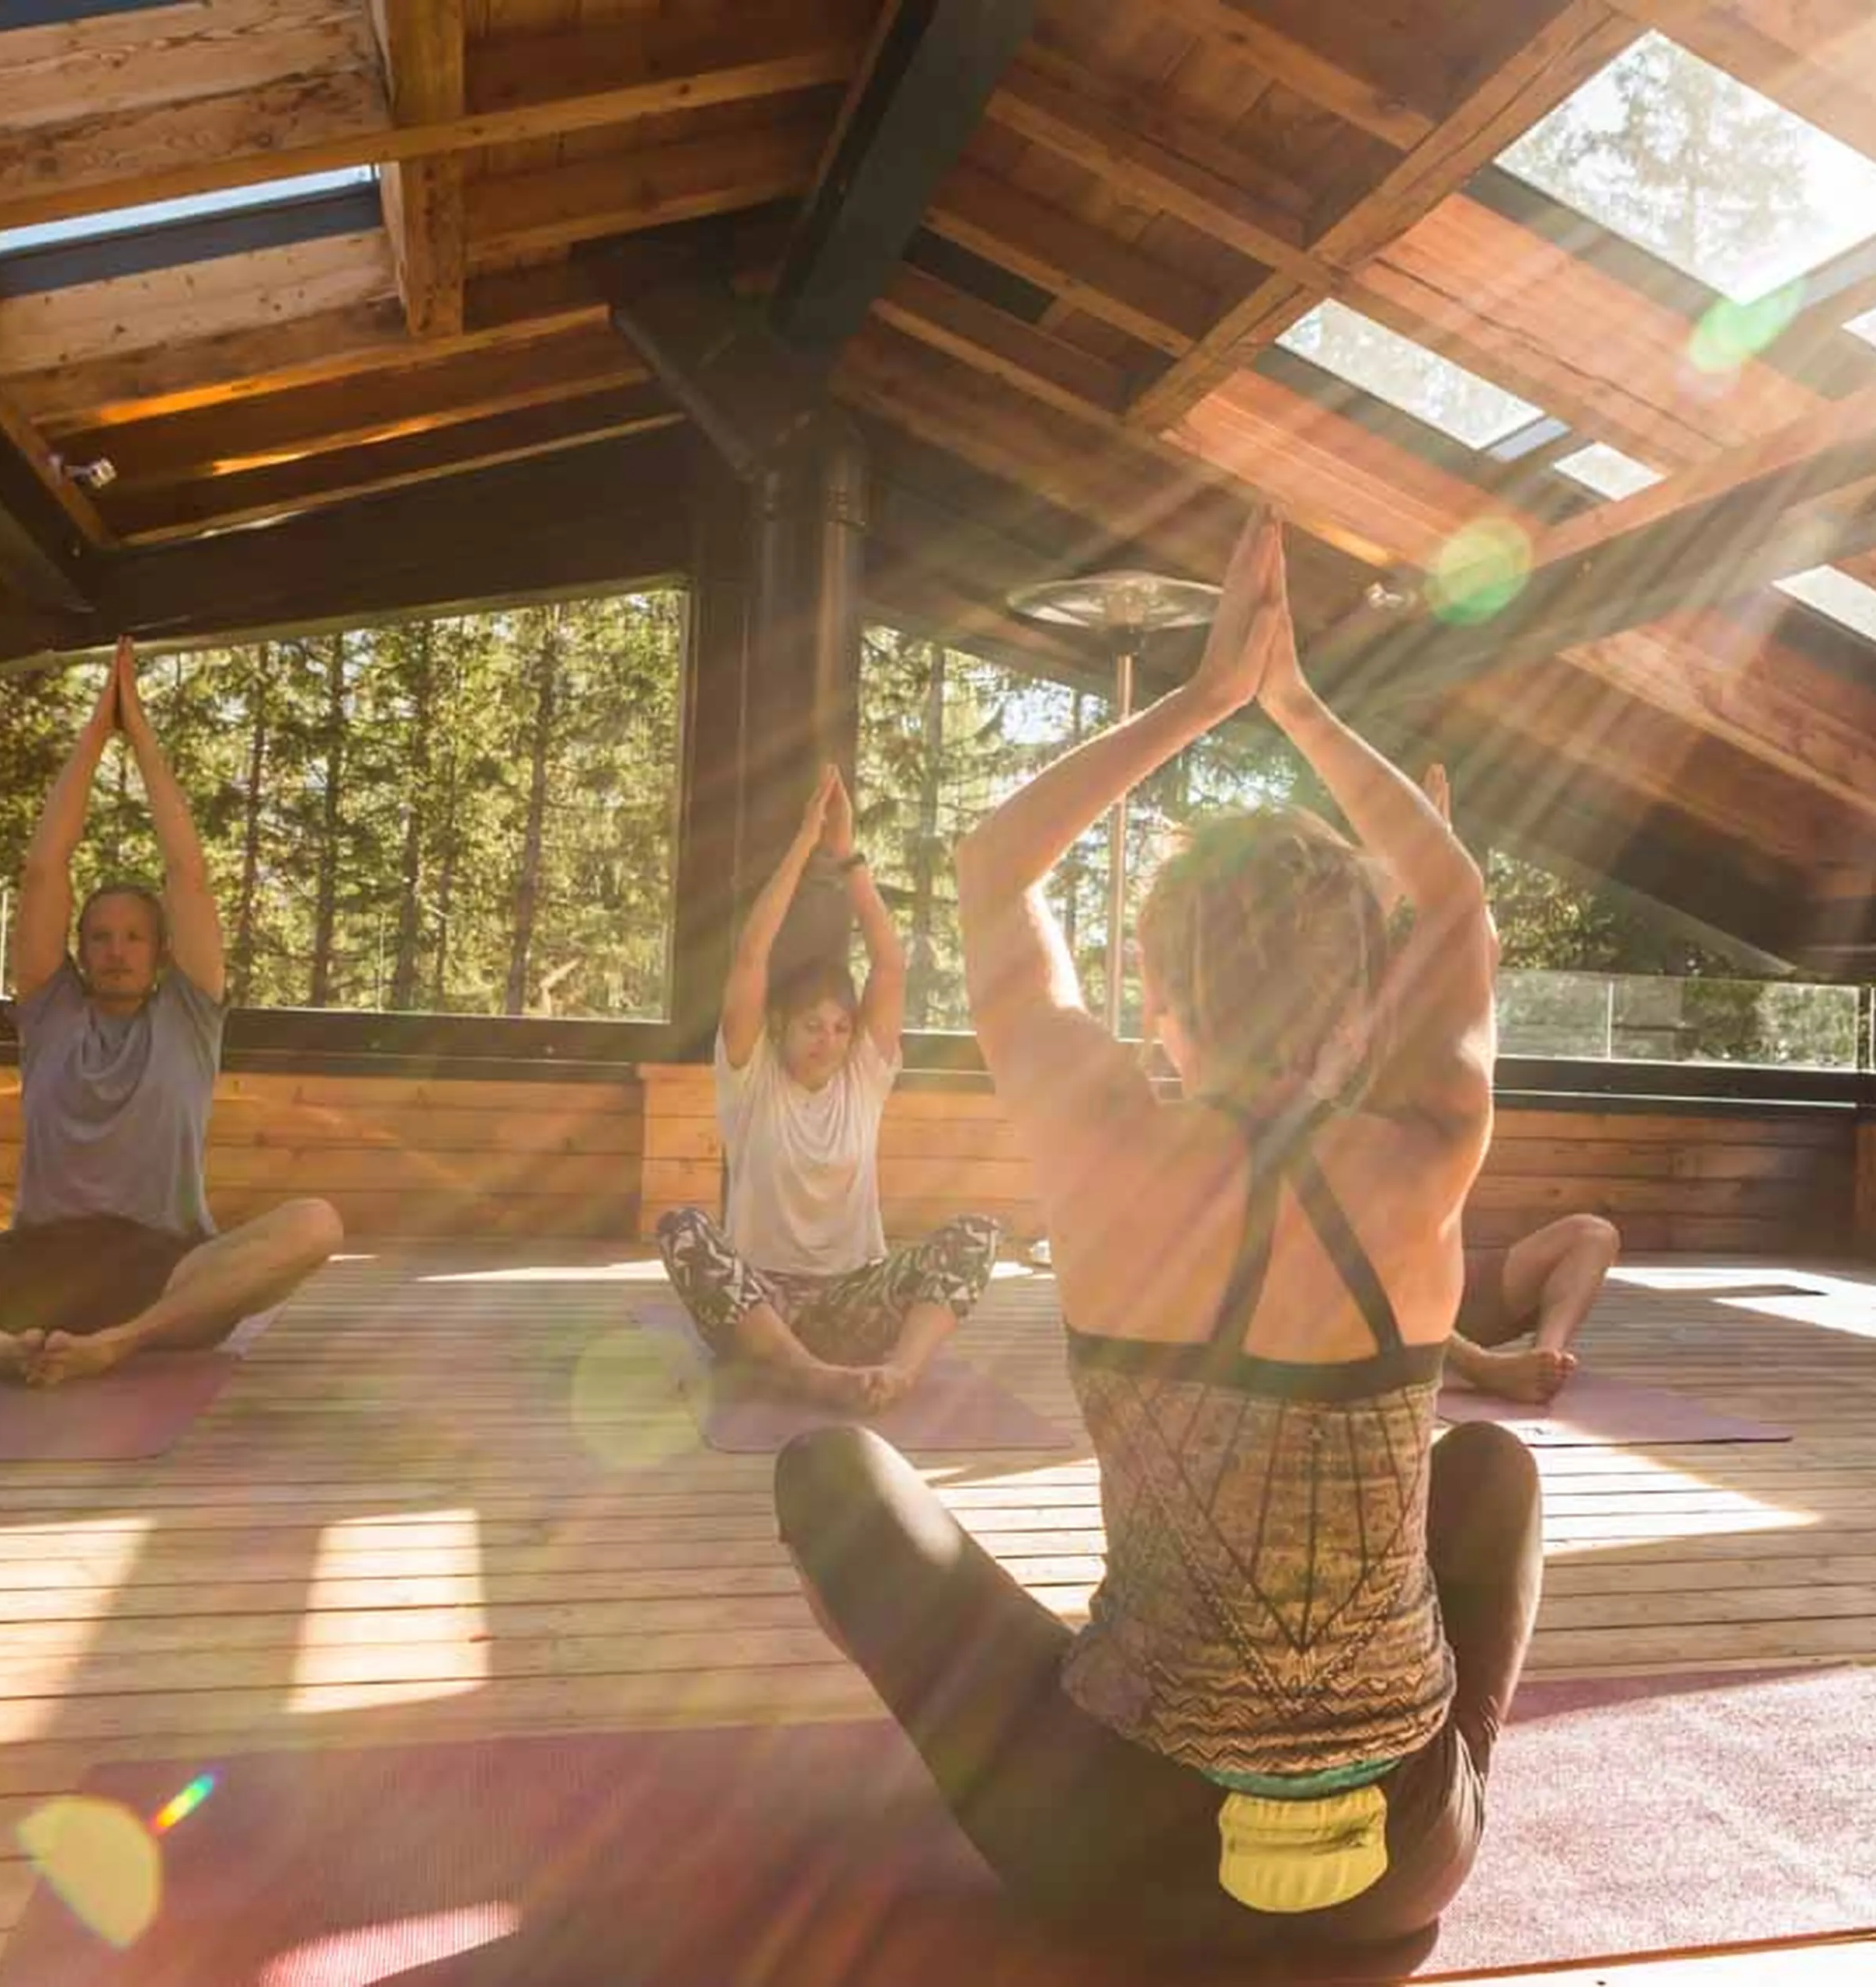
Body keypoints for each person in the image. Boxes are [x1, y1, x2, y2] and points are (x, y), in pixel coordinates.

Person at [772, 513, 1542, 1954]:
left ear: (1154, 976)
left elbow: (994, 867)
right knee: (1490, 1467)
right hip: (1405, 1862)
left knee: (835, 1472)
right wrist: (1302, 704)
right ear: (1369, 998)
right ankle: (1429, 1795)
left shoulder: (1099, 1132)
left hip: (1119, 1844)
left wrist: (1201, 699)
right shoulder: (1429, 1154)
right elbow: (1455, 896)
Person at [0, 641, 342, 1386]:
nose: (117, 951)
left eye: (136, 937)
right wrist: (94, 730)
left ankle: (123, 1341)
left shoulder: (189, 1014)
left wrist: (137, 726)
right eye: (100, 936)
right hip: (33, 1269)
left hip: (165, 1267)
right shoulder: (50, 1013)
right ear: (77, 949)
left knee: (317, 1223)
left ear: (162, 952)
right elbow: (46, 866)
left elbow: (190, 873)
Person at [655, 763, 1000, 1413]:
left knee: (979, 1231)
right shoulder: (750, 1077)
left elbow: (891, 965)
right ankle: (810, 1375)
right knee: (682, 1227)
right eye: (813, 1025)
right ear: (781, 1026)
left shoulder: (864, 1079)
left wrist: (849, 858)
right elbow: (752, 956)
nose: (830, 1039)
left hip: (852, 1300)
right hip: (762, 1306)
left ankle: (897, 1373)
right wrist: (804, 842)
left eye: (842, 1027)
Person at [1405, 763, 1624, 1409]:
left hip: (1459, 1282)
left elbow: (1483, 949)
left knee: (1594, 1233)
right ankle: (1484, 1367)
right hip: (1390, 1293)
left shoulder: (1459, 1054)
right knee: (1365, 1260)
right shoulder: (1358, 1067)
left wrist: (1441, 849)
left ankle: (1543, 1357)